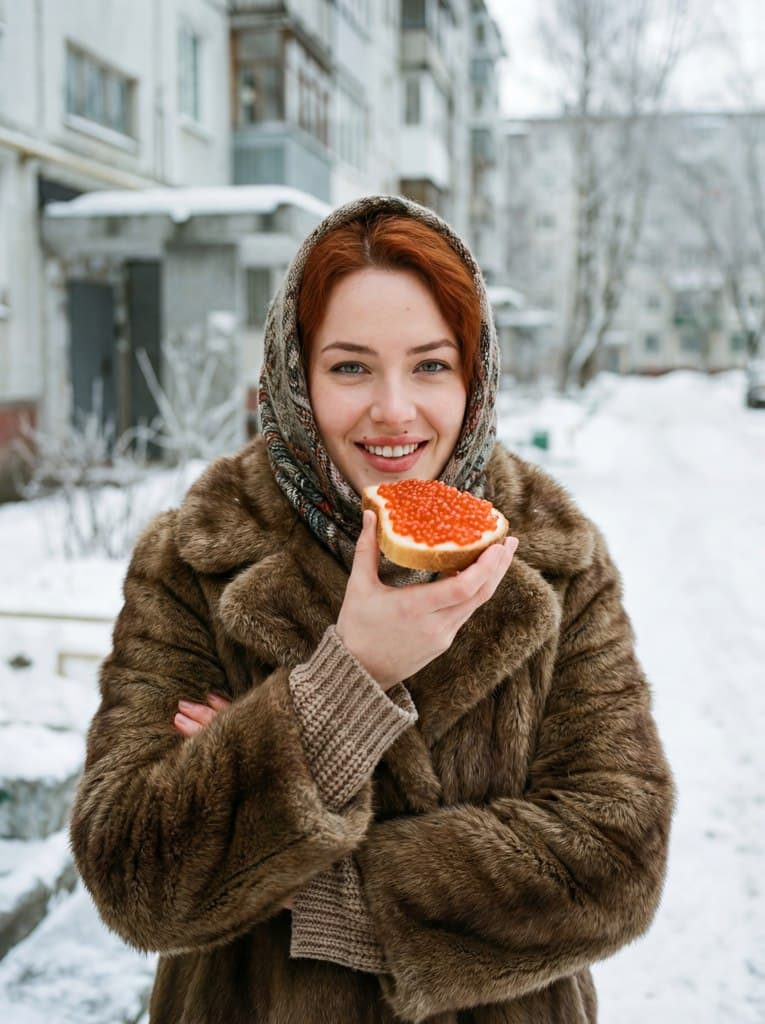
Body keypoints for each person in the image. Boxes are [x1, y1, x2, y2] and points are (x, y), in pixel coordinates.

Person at [70, 194, 674, 1024]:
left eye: (430, 365)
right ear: (294, 372)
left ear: (475, 373)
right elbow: (133, 872)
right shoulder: (196, 556)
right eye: (350, 366)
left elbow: (617, 854)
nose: (394, 411)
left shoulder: (558, 555)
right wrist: (345, 682)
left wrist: (314, 889)